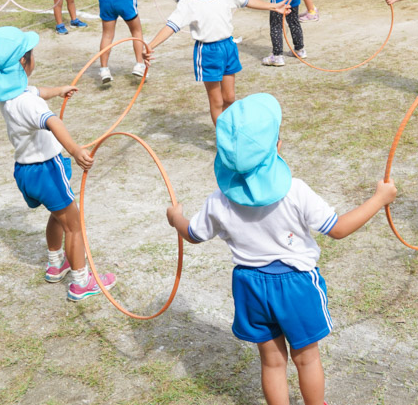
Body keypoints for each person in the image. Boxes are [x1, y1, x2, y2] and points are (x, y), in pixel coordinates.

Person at [165, 92, 397, 405]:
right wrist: (379, 199)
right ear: (277, 146)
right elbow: (338, 229)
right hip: (296, 286)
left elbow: (193, 234)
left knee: (272, 362)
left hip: (250, 286)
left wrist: (176, 218)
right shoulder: (295, 192)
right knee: (306, 359)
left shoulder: (219, 200)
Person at [0, 26, 116, 302]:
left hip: (26, 172)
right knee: (74, 224)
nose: (33, 57)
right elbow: (52, 121)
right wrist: (75, 150)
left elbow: (37, 92)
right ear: (23, 62)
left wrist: (60, 90)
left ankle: (55, 263)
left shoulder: (11, 95)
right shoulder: (29, 103)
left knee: (57, 214)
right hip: (47, 169)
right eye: (31, 54)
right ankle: (81, 282)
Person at [143, 0, 290, 124]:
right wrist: (151, 45)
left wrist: (273, 7)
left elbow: (246, 1)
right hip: (207, 52)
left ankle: (229, 128)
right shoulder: (187, 1)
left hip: (228, 47)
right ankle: (223, 138)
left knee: (229, 97)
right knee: (217, 101)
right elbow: (171, 26)